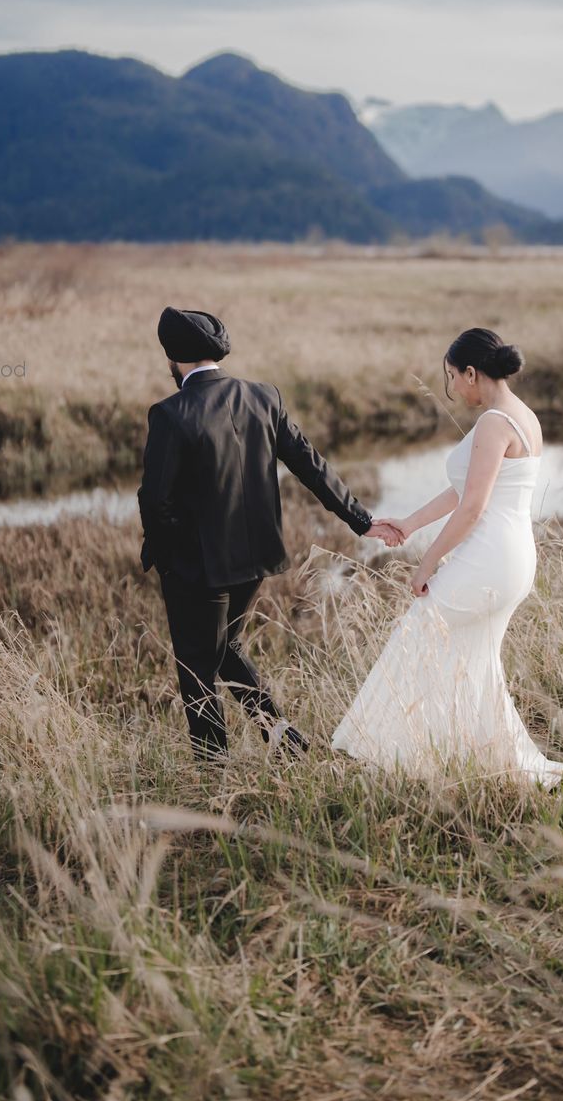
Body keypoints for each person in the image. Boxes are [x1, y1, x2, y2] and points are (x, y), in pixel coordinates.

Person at [138, 306, 400, 766]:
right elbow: (309, 464)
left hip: (199, 568)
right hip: (255, 560)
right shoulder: (263, 397)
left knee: (196, 673)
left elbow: (154, 500)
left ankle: (214, 776)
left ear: (172, 358)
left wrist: (170, 559)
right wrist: (360, 519)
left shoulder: (170, 414)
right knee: (225, 648)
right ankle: (280, 734)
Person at [331, 327, 563, 788]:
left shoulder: (494, 423)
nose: (454, 389)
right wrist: (411, 523)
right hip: (514, 556)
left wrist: (428, 562)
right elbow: (467, 490)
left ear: (473, 373)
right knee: (473, 658)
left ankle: (401, 759)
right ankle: (483, 763)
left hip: (491, 557)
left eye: (452, 377)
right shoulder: (524, 416)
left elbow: (474, 507)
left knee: (419, 635)